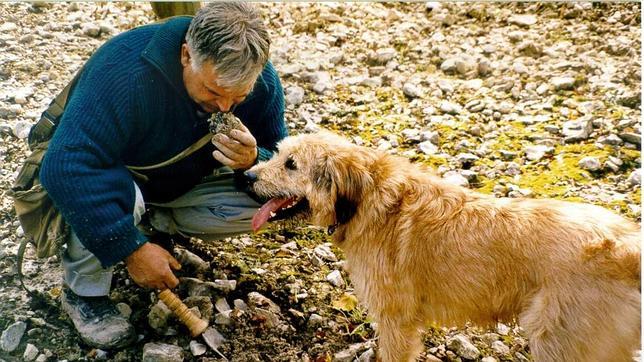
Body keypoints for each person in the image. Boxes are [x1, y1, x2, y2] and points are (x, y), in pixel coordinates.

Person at [38, 3, 286, 349]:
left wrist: (252, 161)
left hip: (183, 184)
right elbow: (65, 165)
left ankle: (158, 227)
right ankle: (85, 293)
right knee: (120, 197)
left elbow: (280, 156)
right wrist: (130, 249)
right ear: (187, 55)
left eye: (239, 97)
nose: (226, 107)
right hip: (119, 177)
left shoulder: (260, 80)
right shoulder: (124, 69)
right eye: (213, 92)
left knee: (273, 202)